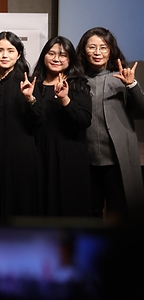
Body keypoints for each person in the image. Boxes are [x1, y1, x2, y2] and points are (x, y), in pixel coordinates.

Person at [77, 27, 144, 219]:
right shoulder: (77, 81)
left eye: (103, 47)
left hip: (117, 161)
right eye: (92, 47)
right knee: (89, 214)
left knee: (121, 213)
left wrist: (131, 85)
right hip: (86, 161)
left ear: (111, 51)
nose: (97, 52)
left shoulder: (122, 79)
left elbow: (142, 111)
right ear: (83, 50)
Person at [0, 31, 44, 218]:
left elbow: (39, 121)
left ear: (19, 54)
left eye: (10, 50)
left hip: (21, 155)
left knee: (21, 205)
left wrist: (30, 98)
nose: (5, 55)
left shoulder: (27, 82)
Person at [33, 36, 93, 217]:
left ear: (70, 59)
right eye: (51, 53)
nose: (56, 58)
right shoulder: (33, 83)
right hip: (38, 153)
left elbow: (83, 120)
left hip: (69, 154)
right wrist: (29, 99)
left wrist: (65, 99)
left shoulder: (78, 84)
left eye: (63, 55)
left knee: (68, 207)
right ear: (44, 56)